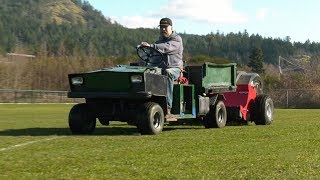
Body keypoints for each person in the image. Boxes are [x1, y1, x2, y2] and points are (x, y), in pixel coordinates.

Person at [140, 17, 183, 114]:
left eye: (165, 27)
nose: (163, 29)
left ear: (171, 27)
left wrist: (152, 46)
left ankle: (167, 106)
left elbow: (167, 47)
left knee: (168, 73)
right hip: (160, 69)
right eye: (161, 27)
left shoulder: (177, 39)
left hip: (175, 69)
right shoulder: (159, 41)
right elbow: (152, 56)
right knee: (145, 71)